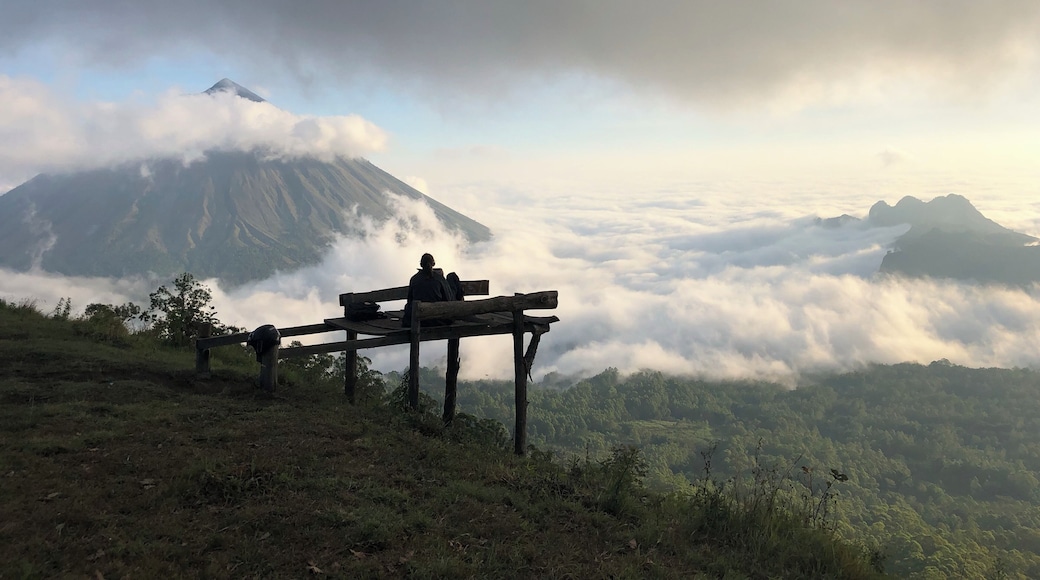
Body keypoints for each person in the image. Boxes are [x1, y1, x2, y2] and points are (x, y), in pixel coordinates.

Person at [403, 253, 456, 327]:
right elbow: (448, 299)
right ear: (433, 264)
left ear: (421, 265)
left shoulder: (414, 279)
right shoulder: (439, 278)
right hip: (437, 320)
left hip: (419, 320)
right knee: (452, 277)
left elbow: (410, 300)